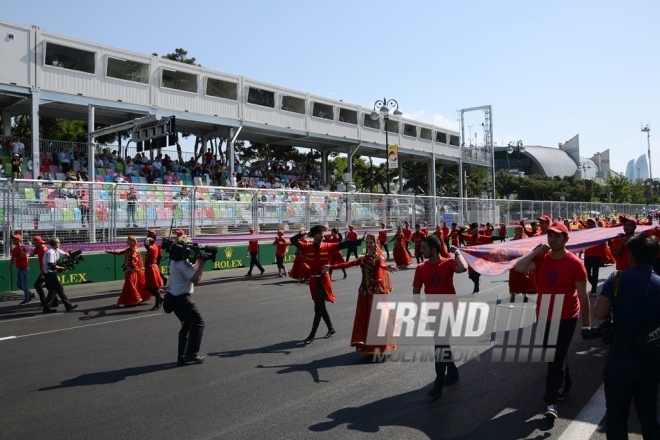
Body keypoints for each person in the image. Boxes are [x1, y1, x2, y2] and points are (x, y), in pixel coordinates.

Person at [513, 221, 590, 419]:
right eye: (550, 236)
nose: (553, 239)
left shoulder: (575, 263)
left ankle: (550, 402)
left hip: (567, 316)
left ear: (566, 239)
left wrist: (587, 322)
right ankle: (566, 384)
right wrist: (535, 251)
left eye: (557, 236)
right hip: (544, 314)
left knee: (554, 358)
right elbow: (519, 267)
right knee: (555, 354)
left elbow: (583, 295)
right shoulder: (541, 259)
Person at [593, 232, 660, 439]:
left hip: (620, 359)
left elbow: (599, 313)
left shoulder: (617, 278)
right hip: (651, 360)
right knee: (648, 417)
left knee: (616, 417)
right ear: (655, 256)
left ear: (630, 255)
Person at [322, 233, 398, 355]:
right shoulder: (363, 258)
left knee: (377, 318)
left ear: (375, 244)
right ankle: (367, 344)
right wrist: (331, 266)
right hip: (364, 292)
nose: (368, 245)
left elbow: (381, 267)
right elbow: (348, 264)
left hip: (375, 292)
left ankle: (379, 346)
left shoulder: (379, 258)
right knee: (365, 316)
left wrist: (384, 269)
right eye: (367, 242)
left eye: (371, 243)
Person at [413, 235, 468, 399]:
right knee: (442, 343)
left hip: (449, 309)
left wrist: (458, 253)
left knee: (440, 345)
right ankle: (452, 372)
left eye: (424, 248)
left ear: (434, 250)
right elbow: (416, 290)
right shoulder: (421, 268)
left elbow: (463, 268)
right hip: (432, 311)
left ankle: (438, 385)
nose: (420, 250)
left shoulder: (448, 262)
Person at [290, 225, 362, 344]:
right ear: (313, 236)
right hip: (313, 280)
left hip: (324, 280)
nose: (322, 235)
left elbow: (344, 244)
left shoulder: (328, 246)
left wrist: (360, 241)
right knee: (320, 306)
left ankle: (312, 335)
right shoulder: (306, 246)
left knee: (318, 307)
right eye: (319, 234)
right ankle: (331, 328)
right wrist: (303, 233)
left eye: (322, 233)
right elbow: (293, 240)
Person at [163, 234, 208, 365]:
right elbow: (195, 279)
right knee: (199, 324)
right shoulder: (181, 263)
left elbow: (191, 269)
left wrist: (198, 260)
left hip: (174, 298)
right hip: (182, 300)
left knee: (187, 325)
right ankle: (191, 354)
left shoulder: (176, 260)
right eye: (189, 245)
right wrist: (202, 263)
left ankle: (182, 356)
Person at [106, 236, 153, 307]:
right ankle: (134, 299)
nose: (126, 242)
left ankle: (136, 298)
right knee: (133, 285)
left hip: (133, 271)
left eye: (127, 240)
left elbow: (135, 258)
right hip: (128, 270)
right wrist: (110, 252)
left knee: (130, 284)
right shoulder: (129, 249)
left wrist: (134, 261)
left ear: (131, 241)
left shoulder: (135, 250)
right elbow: (120, 253)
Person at [42, 237, 79, 313]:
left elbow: (65, 254)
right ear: (54, 244)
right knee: (59, 288)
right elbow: (51, 265)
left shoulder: (56, 250)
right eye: (58, 243)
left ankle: (46, 308)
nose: (60, 244)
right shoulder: (51, 252)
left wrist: (72, 256)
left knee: (53, 290)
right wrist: (62, 268)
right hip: (49, 273)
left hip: (50, 273)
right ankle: (68, 305)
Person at [583, 218, 605, 296]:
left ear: (595, 224)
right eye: (589, 224)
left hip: (596, 255)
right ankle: (594, 284)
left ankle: (594, 290)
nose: (590, 225)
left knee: (595, 273)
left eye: (591, 224)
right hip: (587, 255)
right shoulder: (585, 232)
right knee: (587, 274)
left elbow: (603, 243)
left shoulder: (599, 232)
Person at [9, 233, 32, 305]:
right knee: (19, 285)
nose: (13, 241)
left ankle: (27, 299)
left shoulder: (24, 248)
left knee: (24, 284)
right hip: (19, 269)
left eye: (14, 240)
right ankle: (30, 293)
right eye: (12, 239)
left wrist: (21, 248)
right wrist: (10, 265)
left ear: (18, 240)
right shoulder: (14, 249)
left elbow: (23, 256)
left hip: (24, 269)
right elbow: (13, 258)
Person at [144, 230, 165, 311]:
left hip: (152, 268)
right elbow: (159, 257)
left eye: (149, 237)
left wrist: (148, 239)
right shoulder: (156, 246)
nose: (147, 238)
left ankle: (158, 302)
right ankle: (160, 299)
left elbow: (146, 244)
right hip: (151, 267)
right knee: (148, 287)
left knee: (154, 287)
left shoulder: (152, 247)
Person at [29, 236, 49, 307]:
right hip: (44, 270)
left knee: (37, 285)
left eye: (34, 243)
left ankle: (44, 301)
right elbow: (31, 254)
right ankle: (54, 301)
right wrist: (36, 248)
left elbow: (47, 262)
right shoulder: (39, 248)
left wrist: (43, 273)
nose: (33, 244)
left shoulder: (44, 249)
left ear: (38, 242)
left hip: (46, 270)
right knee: (49, 286)